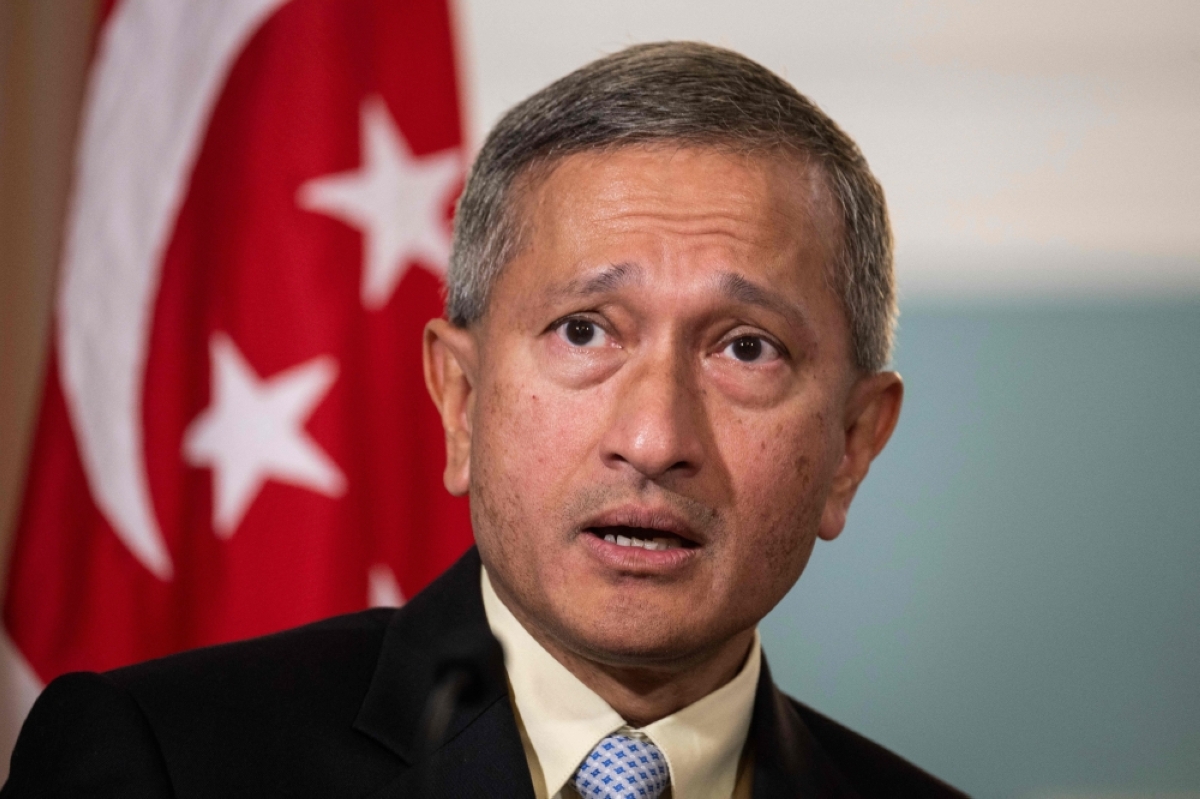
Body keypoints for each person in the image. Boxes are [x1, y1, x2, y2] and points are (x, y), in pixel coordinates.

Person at [2, 42, 964, 797]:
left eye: (746, 348)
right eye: (584, 330)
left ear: (851, 445)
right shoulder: (163, 762)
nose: (656, 438)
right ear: (460, 401)